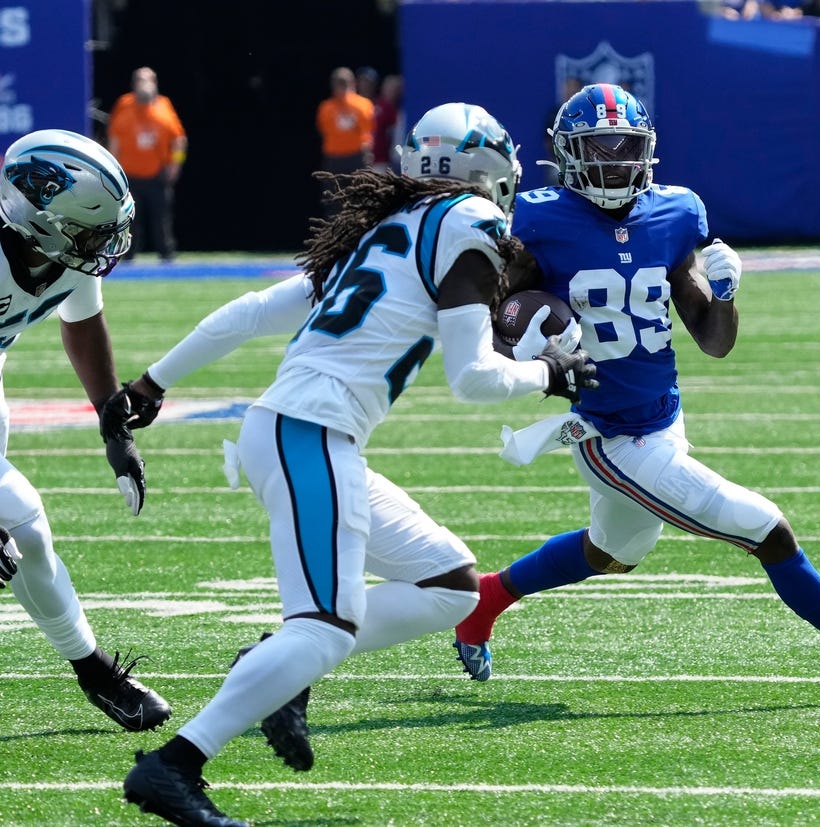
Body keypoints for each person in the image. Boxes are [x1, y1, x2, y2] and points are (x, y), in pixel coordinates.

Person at [117, 101, 596, 827]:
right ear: (487, 168)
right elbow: (472, 378)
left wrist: (154, 379)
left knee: (452, 585)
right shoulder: (469, 224)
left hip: (298, 430)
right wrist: (551, 375)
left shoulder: (385, 231)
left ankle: (279, 661)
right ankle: (174, 764)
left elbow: (248, 312)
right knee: (325, 628)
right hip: (309, 431)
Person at [452, 83, 820, 705]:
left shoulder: (675, 213)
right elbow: (495, 325)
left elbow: (714, 340)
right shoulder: (537, 219)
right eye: (598, 150)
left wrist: (722, 292)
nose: (614, 163)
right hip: (608, 433)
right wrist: (528, 338)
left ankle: (485, 600)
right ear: (568, 155)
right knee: (767, 529)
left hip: (664, 418)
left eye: (625, 149)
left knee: (612, 549)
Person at [0, 128, 171, 731]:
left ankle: (95, 672)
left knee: (27, 535)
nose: (105, 246)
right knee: (14, 515)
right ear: (36, 217)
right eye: (92, 232)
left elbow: (82, 316)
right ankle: (94, 670)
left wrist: (111, 421)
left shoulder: (57, 250)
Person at [107, 67, 187, 262]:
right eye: (140, 80)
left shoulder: (164, 106)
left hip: (156, 175)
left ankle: (167, 256)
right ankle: (127, 256)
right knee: (129, 220)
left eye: (148, 80)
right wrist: (112, 170)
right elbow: (114, 140)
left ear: (155, 83)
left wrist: (175, 166)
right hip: (130, 176)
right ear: (134, 84)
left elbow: (179, 140)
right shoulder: (124, 105)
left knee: (161, 220)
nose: (144, 85)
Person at [316, 67, 376, 216]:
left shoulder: (363, 105)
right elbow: (324, 130)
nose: (342, 88)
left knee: (360, 199)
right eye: (339, 84)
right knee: (334, 201)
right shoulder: (326, 108)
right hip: (335, 159)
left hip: (357, 158)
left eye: (344, 83)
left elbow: (368, 130)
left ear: (352, 83)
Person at [370, 73, 404, 174]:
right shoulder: (375, 106)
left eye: (396, 89)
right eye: (389, 87)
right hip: (375, 159)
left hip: (390, 160)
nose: (392, 91)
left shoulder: (399, 111)